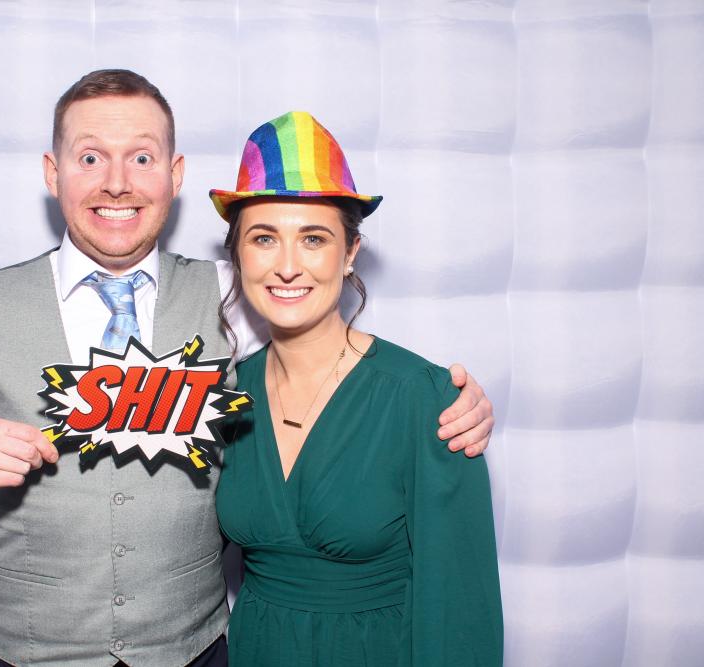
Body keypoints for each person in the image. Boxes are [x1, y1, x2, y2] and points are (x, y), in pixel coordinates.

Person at [0, 70, 496, 667]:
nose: (117, 182)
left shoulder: (235, 296)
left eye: (142, 157)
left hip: (197, 652)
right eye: (90, 157)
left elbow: (328, 353)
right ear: (53, 171)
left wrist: (446, 401)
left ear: (174, 175)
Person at [211, 111, 503, 666]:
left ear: (349, 253)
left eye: (313, 239)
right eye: (264, 238)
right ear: (238, 255)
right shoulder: (226, 395)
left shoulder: (425, 399)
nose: (288, 266)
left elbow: (461, 608)